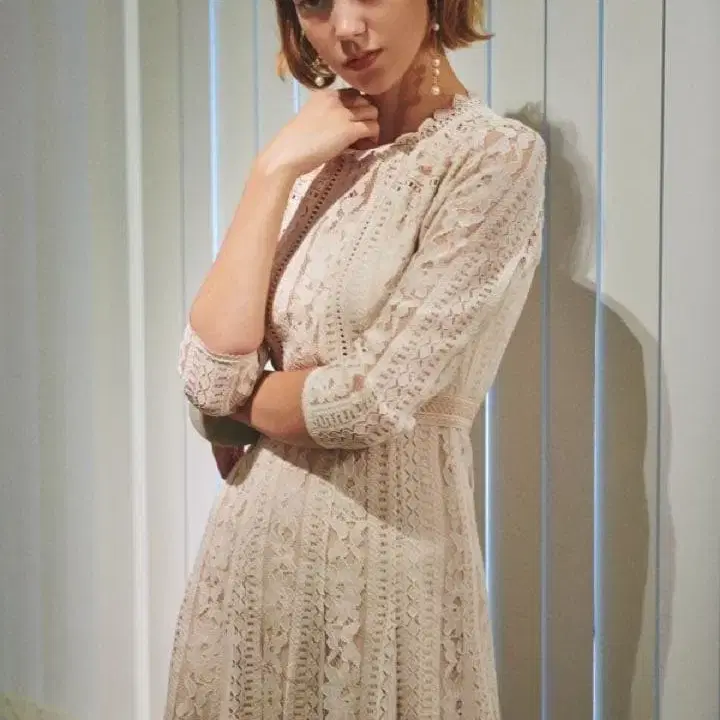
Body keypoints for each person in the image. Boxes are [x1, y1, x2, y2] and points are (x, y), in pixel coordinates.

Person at [164, 0, 546, 717]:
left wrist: (242, 402)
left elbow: (367, 399)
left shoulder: (494, 157)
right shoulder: (309, 162)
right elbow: (209, 370)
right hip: (249, 555)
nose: (344, 27)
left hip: (384, 562)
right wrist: (271, 170)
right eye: (315, 2)